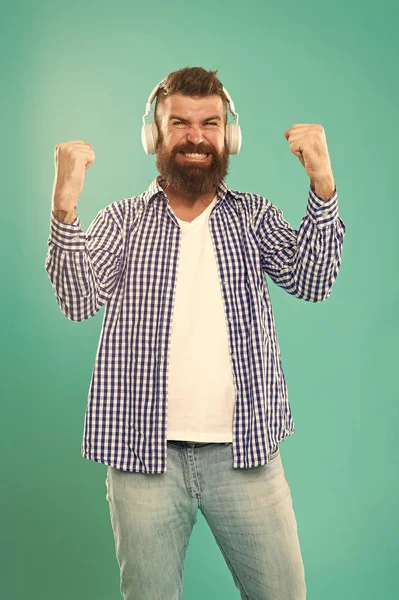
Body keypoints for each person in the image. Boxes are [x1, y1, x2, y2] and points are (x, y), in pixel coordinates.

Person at [45, 66, 346, 600]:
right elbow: (78, 301)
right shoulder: (125, 220)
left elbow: (313, 279)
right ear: (155, 134)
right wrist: (64, 208)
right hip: (143, 461)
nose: (195, 137)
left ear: (227, 135)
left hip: (246, 455)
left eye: (210, 123)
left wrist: (322, 185)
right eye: (180, 123)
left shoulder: (251, 217)